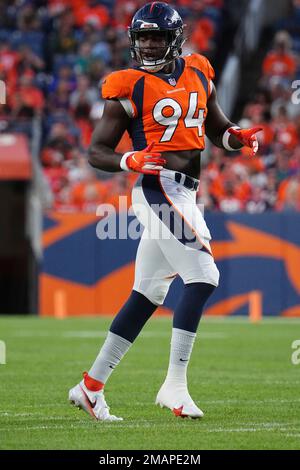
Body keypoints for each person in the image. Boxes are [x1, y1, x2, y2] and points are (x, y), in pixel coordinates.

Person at [69, 2, 262, 421]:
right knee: (204, 275)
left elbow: (216, 129)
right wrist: (129, 160)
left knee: (149, 293)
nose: (150, 44)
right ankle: (174, 385)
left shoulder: (198, 71)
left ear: (176, 38)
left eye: (157, 36)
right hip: (158, 189)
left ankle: (91, 386)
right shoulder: (127, 86)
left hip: (187, 193)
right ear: (133, 40)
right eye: (143, 37)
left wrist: (238, 137)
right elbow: (96, 150)